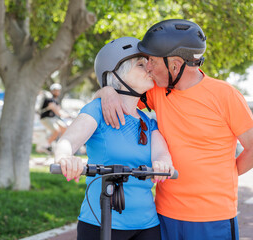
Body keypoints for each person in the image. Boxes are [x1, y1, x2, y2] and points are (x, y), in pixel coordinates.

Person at [95, 19, 253, 240]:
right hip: (165, 214)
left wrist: (225, 173)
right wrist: (107, 91)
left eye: (153, 61)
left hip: (212, 218)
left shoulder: (225, 94)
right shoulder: (156, 91)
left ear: (176, 65)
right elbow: (118, 94)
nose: (148, 67)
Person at [55, 37, 175, 240]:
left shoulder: (148, 121)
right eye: (140, 64)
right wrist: (66, 158)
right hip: (101, 222)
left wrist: (164, 163)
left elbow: (162, 153)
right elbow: (67, 143)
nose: (149, 68)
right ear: (116, 75)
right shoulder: (97, 110)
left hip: (147, 225)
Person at [37, 83, 68, 153]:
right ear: (52, 91)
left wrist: (67, 115)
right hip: (45, 118)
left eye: (58, 90)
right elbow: (56, 110)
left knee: (64, 128)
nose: (57, 92)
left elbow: (59, 110)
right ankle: (46, 146)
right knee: (56, 131)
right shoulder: (49, 98)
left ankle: (59, 144)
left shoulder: (56, 100)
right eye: (55, 90)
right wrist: (61, 114)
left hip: (53, 119)